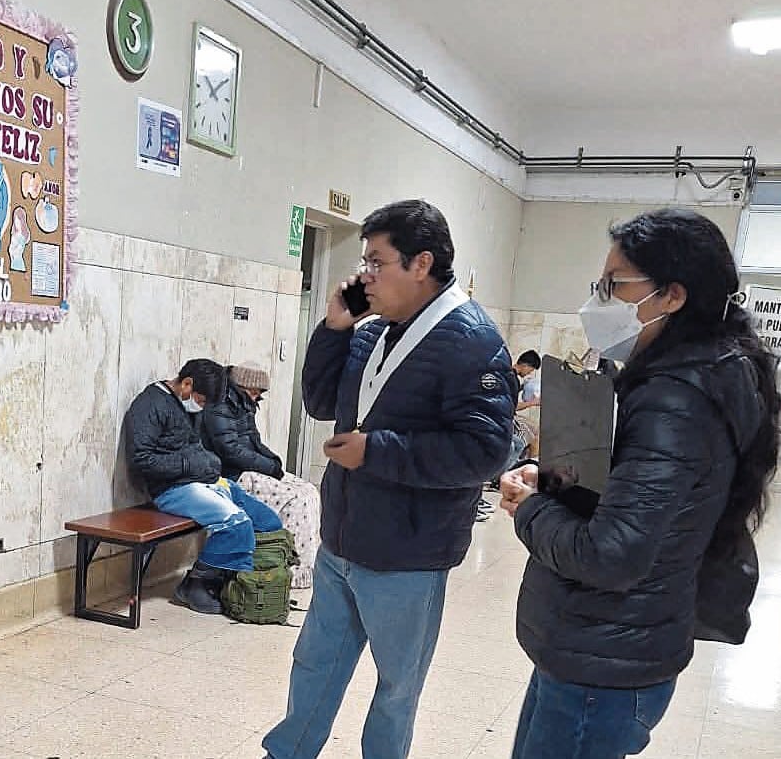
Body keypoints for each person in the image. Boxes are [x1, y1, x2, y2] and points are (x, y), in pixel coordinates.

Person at [499, 208, 781, 759]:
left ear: (672, 296)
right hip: (600, 649)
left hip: (604, 662)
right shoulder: (689, 375)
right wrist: (556, 479)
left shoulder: (676, 400)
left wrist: (533, 508)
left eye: (614, 286)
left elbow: (613, 554)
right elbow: (636, 496)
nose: (598, 300)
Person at [263, 199, 515, 759]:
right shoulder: (371, 331)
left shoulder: (472, 341)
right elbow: (322, 400)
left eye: (377, 262)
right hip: (343, 540)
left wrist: (376, 452)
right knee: (314, 666)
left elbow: (483, 451)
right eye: (364, 261)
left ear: (420, 264)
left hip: (409, 554)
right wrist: (333, 328)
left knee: (396, 688)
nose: (364, 275)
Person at [123, 358, 283, 614]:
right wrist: (192, 465)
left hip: (204, 480)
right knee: (236, 524)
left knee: (267, 522)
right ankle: (196, 583)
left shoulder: (190, 406)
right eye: (203, 400)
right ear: (187, 384)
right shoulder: (149, 405)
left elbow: (196, 445)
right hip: (171, 490)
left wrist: (208, 463)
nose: (203, 407)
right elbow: (142, 460)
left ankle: (226, 579)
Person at [200, 363, 321, 588]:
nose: (257, 398)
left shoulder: (244, 403)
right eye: (255, 392)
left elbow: (254, 441)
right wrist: (268, 467)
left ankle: (306, 567)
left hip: (249, 468)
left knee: (309, 491)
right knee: (295, 500)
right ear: (241, 385)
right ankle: (289, 569)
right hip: (232, 475)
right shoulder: (218, 405)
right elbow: (230, 451)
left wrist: (274, 462)